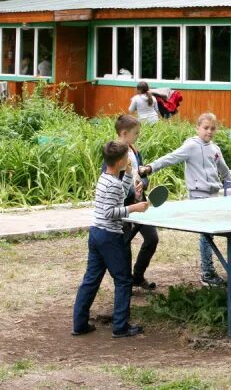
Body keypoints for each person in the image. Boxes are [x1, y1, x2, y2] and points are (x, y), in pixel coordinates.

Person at [139, 113, 231, 286]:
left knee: (211, 234)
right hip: (198, 195)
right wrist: (151, 168)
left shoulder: (215, 149)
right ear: (197, 128)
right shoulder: (191, 146)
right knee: (206, 234)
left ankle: (209, 271)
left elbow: (226, 172)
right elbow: (171, 158)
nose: (209, 131)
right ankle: (207, 274)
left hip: (213, 196)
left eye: (212, 128)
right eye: (205, 128)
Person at [72, 141, 149, 338]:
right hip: (110, 237)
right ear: (121, 160)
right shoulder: (113, 183)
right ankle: (120, 327)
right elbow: (110, 212)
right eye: (127, 158)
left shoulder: (105, 178)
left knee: (91, 279)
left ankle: (80, 324)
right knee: (123, 280)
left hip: (96, 234)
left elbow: (120, 194)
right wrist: (134, 208)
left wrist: (130, 177)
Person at [111, 115, 159, 290]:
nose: (138, 136)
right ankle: (125, 284)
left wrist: (142, 184)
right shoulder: (114, 153)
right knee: (125, 244)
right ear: (124, 133)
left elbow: (142, 174)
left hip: (141, 204)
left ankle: (137, 276)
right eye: (135, 133)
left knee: (152, 238)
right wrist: (131, 192)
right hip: (124, 207)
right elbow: (111, 180)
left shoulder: (135, 151)